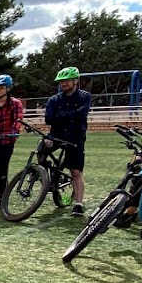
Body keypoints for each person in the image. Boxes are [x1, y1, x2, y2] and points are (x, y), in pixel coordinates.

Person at [44, 66, 92, 215]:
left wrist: (60, 115)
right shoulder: (54, 100)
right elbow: (49, 119)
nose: (63, 84)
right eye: (61, 81)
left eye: (67, 80)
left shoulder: (84, 96)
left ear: (75, 81)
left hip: (75, 136)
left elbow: (81, 114)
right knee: (41, 149)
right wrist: (70, 115)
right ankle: (44, 175)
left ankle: (78, 203)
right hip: (56, 135)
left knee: (76, 171)